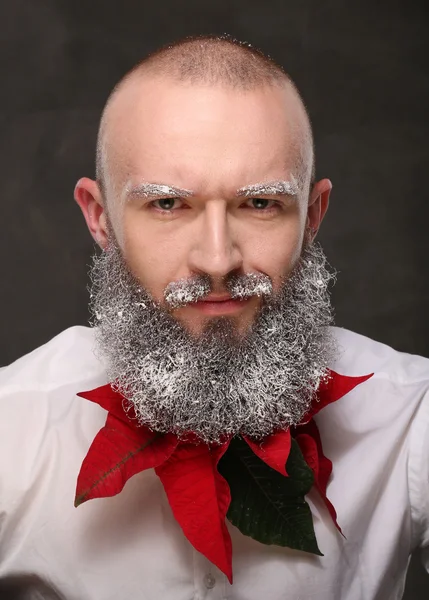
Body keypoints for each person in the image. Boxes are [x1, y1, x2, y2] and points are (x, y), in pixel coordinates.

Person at [0, 35, 428, 600]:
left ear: (312, 216)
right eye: (168, 204)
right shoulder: (13, 426)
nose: (219, 260)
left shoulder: (412, 415)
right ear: (100, 218)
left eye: (260, 204)